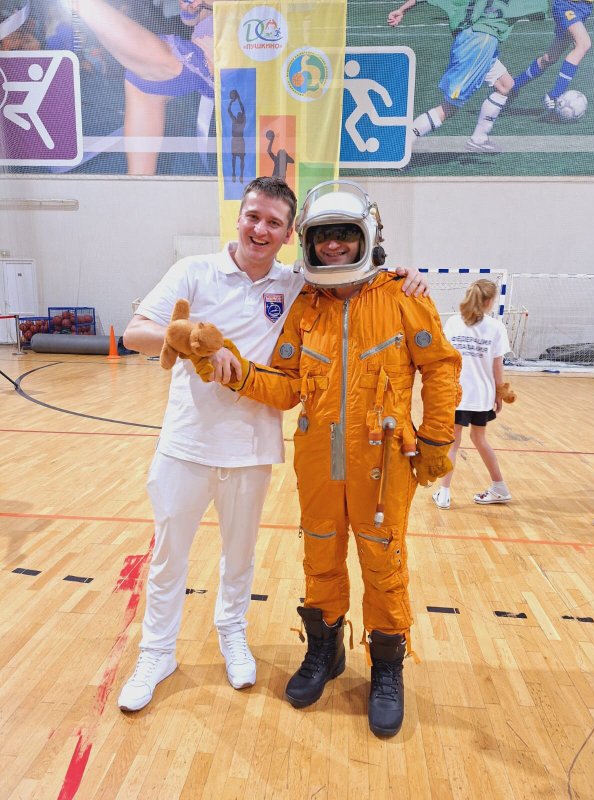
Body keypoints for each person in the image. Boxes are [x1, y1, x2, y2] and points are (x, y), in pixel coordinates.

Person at [118, 176, 430, 712]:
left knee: (241, 560)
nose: (260, 229)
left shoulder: (299, 285)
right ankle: (156, 653)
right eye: (253, 217)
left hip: (253, 448)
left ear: (289, 235)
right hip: (185, 444)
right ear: (239, 218)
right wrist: (186, 339)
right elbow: (134, 333)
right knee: (169, 558)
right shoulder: (194, 271)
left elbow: (362, 278)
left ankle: (235, 637)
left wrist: (407, 274)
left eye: (274, 223)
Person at [188, 180, 461, 737]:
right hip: (318, 455)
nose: (333, 245)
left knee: (383, 559)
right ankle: (324, 650)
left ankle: (386, 667)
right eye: (323, 236)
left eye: (344, 234)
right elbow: (288, 385)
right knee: (319, 553)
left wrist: (436, 440)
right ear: (308, 242)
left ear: (367, 236)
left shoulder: (404, 296)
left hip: (382, 458)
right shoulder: (305, 305)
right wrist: (235, 370)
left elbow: (440, 368)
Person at [74, 0, 215, 174]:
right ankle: (139, 185)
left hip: (222, 56)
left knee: (157, 60)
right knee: (141, 81)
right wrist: (191, 8)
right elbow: (192, 19)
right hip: (200, 51)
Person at [388, 0, 546, 153]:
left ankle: (479, 138)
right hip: (480, 43)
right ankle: (402, 143)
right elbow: (539, 12)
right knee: (450, 106)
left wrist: (402, 10)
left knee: (505, 84)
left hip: (468, 37)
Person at [432, 279, 511, 510]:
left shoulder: (453, 323)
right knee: (479, 439)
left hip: (456, 393)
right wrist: (499, 393)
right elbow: (497, 367)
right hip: (482, 396)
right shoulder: (496, 327)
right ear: (489, 301)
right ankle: (499, 487)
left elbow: (444, 358)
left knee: (453, 444)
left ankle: (444, 493)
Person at [511, 0, 592, 111]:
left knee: (550, 57)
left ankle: (514, 86)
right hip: (567, 5)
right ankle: (554, 95)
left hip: (584, 8)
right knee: (583, 44)